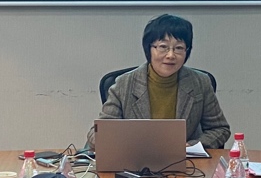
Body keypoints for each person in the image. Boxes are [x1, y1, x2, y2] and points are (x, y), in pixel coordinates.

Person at [90, 14, 230, 150]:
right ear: (149, 48)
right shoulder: (124, 84)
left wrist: (193, 145)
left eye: (179, 48)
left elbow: (220, 129)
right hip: (135, 160)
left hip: (186, 161)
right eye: (163, 47)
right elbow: (97, 135)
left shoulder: (200, 83)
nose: (171, 55)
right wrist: (127, 145)